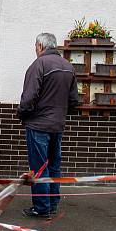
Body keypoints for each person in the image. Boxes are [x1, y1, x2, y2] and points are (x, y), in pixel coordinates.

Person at [18, 32, 80, 217]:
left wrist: (21, 114)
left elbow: (28, 98)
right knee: (54, 166)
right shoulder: (68, 67)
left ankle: (41, 207)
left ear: (40, 46)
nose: (35, 50)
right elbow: (74, 100)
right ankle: (52, 203)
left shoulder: (39, 65)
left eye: (35, 46)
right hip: (57, 125)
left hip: (38, 125)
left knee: (39, 167)